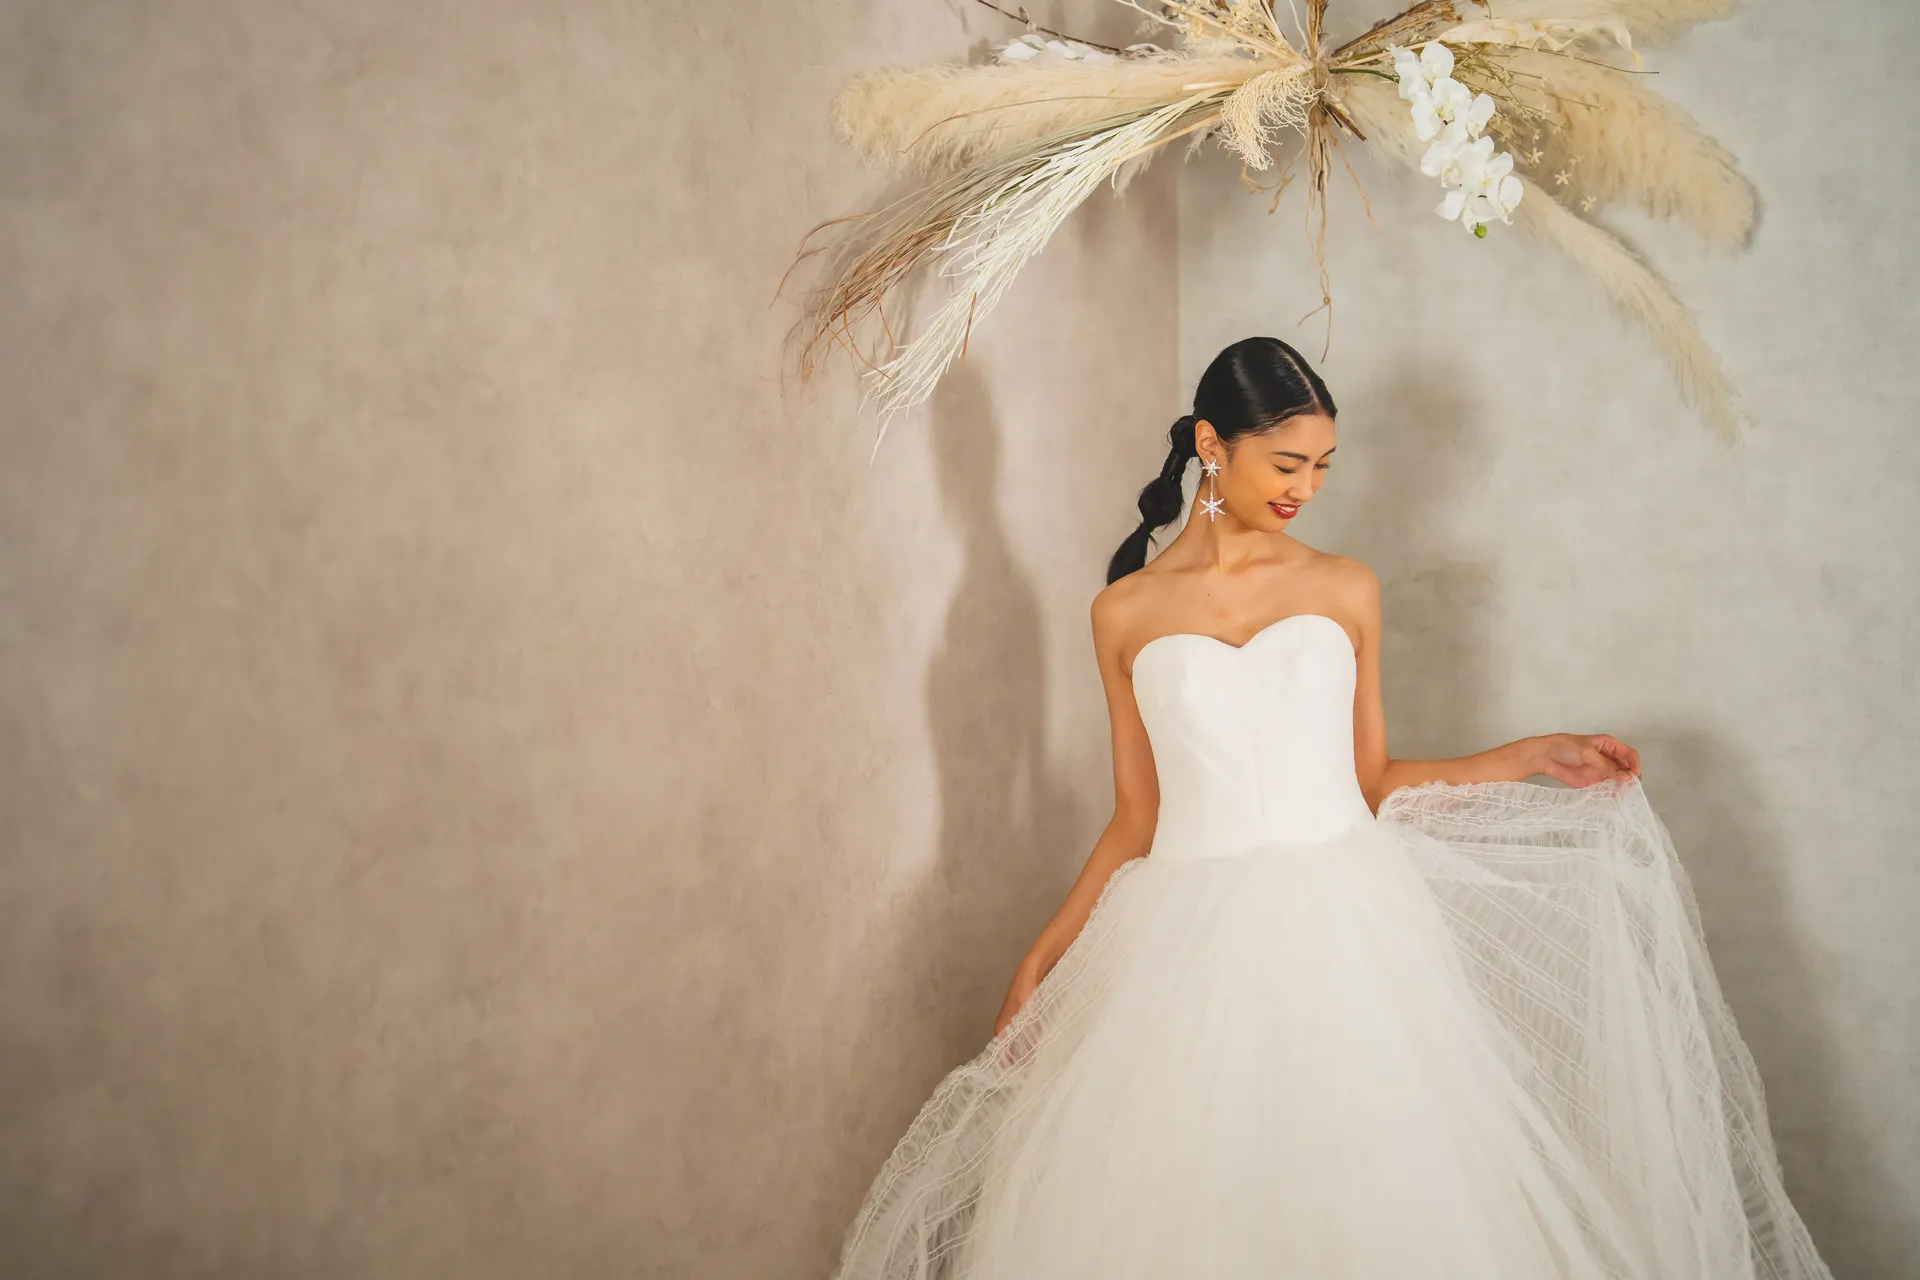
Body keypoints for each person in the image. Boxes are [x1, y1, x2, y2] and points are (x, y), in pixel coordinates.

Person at [829, 337, 1833, 1279]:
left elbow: (1371, 780)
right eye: (1287, 463)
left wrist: (1531, 756)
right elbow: (1137, 816)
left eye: (1322, 466)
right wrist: (1042, 957)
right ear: (1213, 445)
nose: (1305, 488)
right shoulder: (1123, 610)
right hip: (1183, 947)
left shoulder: (1345, 587)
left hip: (1347, 934)